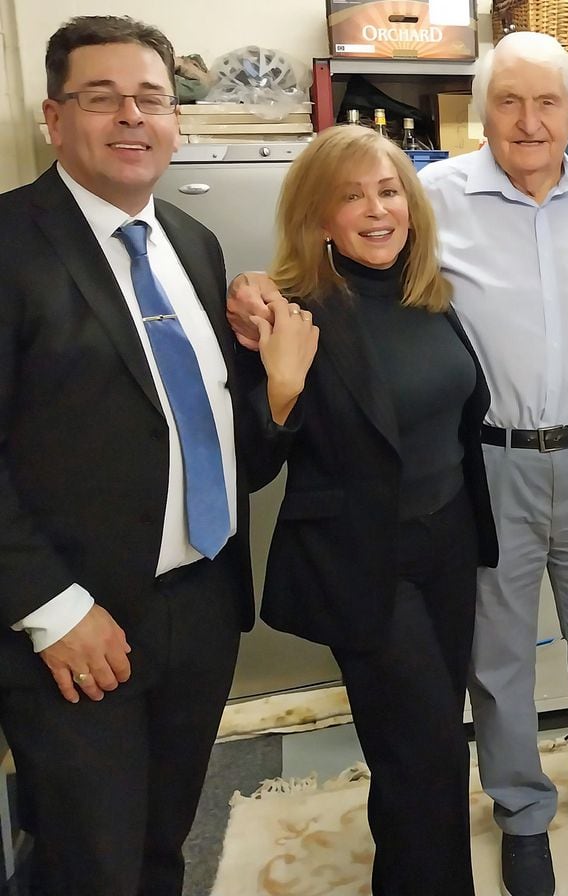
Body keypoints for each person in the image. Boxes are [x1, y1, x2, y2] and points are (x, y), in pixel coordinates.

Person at [227, 31, 568, 896]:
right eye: (509, 100)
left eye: (549, 102)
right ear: (483, 111)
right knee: (497, 659)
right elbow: (337, 248)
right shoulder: (433, 195)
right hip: (489, 469)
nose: (529, 120)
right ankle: (521, 811)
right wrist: (256, 289)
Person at [0, 15, 313, 896]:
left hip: (202, 606)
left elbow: (223, 450)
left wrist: (279, 396)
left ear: (178, 121)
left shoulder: (192, 243)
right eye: (102, 99)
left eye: (151, 99)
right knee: (86, 864)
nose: (131, 117)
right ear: (54, 119)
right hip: (77, 626)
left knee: (161, 842)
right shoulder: (12, 245)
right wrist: (53, 610)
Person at [240, 124, 497, 896]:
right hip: (366, 561)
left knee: (415, 746)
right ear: (319, 218)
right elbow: (251, 467)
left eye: (388, 191)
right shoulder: (289, 313)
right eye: (350, 197)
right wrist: (281, 390)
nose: (376, 209)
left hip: (448, 542)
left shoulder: (431, 296)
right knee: (429, 751)